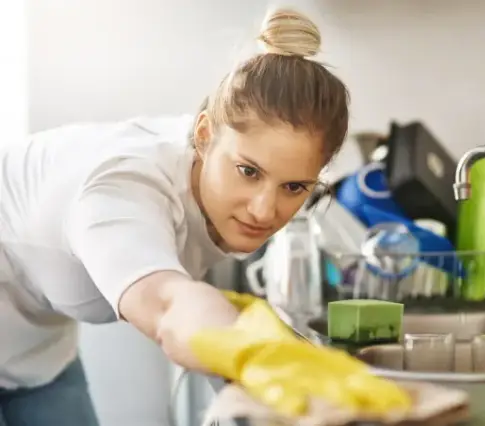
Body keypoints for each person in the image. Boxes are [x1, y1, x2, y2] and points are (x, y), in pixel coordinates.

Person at [0, 7, 411, 426]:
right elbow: (166, 303)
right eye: (249, 172)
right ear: (203, 135)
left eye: (294, 187)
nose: (264, 211)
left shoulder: (220, 148)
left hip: (36, 353)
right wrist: (253, 353)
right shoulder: (121, 190)